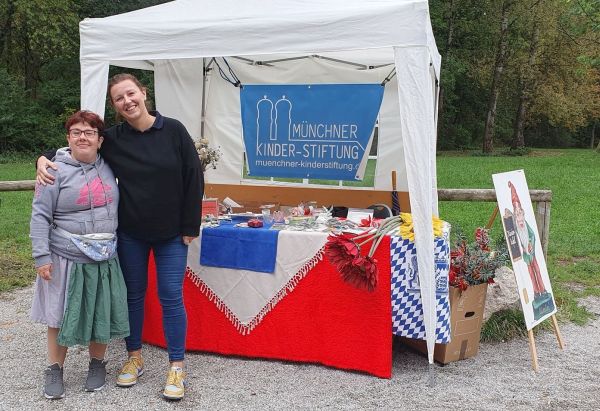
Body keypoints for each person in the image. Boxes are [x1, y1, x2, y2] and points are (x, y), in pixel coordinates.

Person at [37, 73, 204, 401]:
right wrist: (42, 157)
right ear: (114, 106)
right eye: (119, 98)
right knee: (133, 296)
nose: (127, 101)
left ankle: (177, 366)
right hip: (130, 234)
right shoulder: (113, 138)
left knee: (171, 296)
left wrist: (190, 227)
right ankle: (134, 357)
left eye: (131, 94)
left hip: (171, 235)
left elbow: (193, 177)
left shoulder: (174, 131)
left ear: (144, 93)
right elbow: (77, 141)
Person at [31, 110, 129, 399]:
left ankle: (97, 363)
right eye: (76, 132)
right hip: (65, 255)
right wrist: (41, 256)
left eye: (89, 132)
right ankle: (54, 369)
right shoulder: (53, 171)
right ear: (68, 138)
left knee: (100, 310)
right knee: (58, 314)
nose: (83, 137)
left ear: (100, 140)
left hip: (103, 255)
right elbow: (39, 215)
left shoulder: (110, 164)